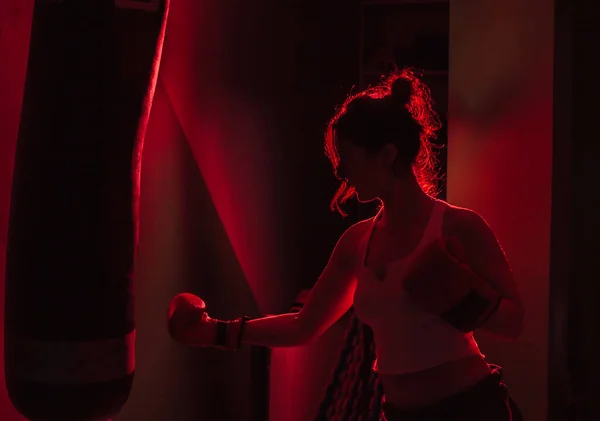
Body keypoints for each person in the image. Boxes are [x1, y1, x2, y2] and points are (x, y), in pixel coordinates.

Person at [167, 68, 524, 421]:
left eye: (347, 158)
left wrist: (463, 296)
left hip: (471, 411)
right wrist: (217, 330)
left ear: (386, 155)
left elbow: (515, 323)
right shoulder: (357, 242)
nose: (340, 172)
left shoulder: (460, 227)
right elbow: (304, 326)